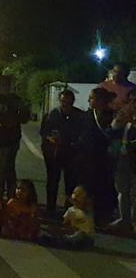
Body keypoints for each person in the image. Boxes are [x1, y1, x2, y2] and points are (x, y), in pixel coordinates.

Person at [40, 89, 84, 216]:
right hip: (54, 153)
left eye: (68, 102)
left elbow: (83, 134)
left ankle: (69, 209)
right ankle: (50, 208)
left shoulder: (79, 116)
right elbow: (44, 132)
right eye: (63, 101)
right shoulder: (52, 114)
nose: (65, 104)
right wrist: (51, 139)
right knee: (52, 181)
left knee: (71, 182)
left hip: (72, 153)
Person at [76, 87, 117, 226]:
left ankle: (102, 216)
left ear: (100, 100)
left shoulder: (111, 115)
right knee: (86, 187)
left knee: (103, 187)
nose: (89, 100)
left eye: (92, 98)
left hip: (103, 158)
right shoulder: (85, 115)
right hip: (85, 158)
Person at [108, 88, 136, 233]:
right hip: (123, 157)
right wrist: (119, 120)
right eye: (130, 100)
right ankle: (124, 218)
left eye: (135, 101)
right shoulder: (126, 116)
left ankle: (134, 221)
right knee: (122, 190)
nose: (132, 104)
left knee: (134, 192)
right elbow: (113, 129)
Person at [38, 186, 95, 250]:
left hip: (85, 239)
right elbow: (65, 225)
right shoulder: (70, 210)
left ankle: (59, 241)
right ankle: (53, 240)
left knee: (80, 236)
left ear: (88, 200)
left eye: (79, 195)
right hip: (71, 235)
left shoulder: (87, 212)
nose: (75, 197)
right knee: (59, 236)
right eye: (74, 193)